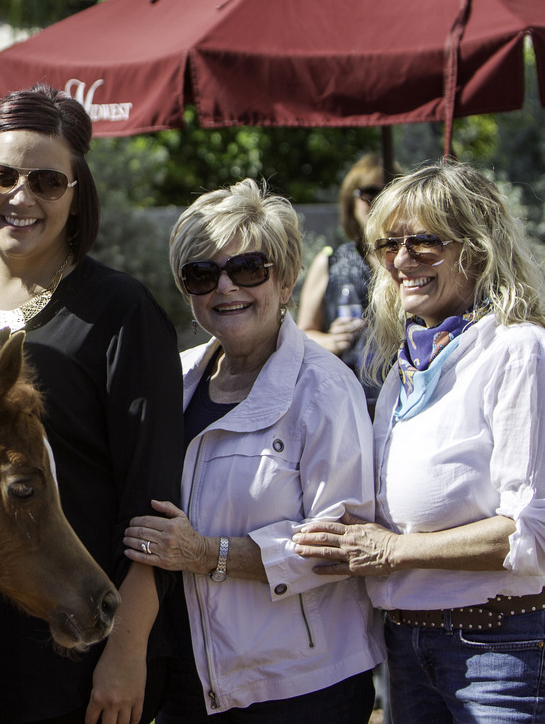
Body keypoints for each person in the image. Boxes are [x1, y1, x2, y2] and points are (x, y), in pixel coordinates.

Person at [0, 83, 183, 724]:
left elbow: (152, 509)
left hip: (77, 643)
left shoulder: (122, 312)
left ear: (77, 191)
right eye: (1, 175)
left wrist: (127, 649)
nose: (21, 198)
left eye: (47, 182)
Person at [293, 161, 545, 723]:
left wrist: (390, 550)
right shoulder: (404, 367)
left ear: (477, 248)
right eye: (388, 245)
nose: (401, 261)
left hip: (497, 647)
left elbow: (530, 529)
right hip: (406, 644)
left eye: (425, 243)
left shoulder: (518, 349)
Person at [123, 179, 383, 722]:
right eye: (201, 274)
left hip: (301, 688)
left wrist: (205, 554)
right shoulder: (175, 379)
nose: (225, 288)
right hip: (191, 683)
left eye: (247, 269)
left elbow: (341, 542)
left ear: (286, 280)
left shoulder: (326, 389)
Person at [297, 153, 395, 411]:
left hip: (401, 395)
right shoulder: (330, 261)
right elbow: (301, 336)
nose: (378, 200)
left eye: (389, 190)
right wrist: (331, 340)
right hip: (344, 400)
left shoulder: (409, 262)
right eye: (369, 192)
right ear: (350, 201)